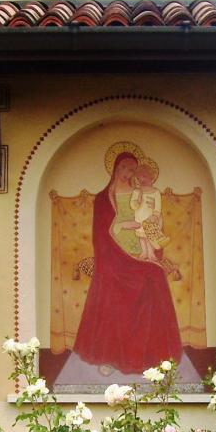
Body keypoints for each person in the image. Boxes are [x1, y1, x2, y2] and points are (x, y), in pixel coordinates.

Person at [72, 144, 182, 374]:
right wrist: (120, 246)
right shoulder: (104, 198)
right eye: (124, 167)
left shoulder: (140, 195)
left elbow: (150, 221)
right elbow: (100, 234)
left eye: (132, 170)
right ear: (115, 168)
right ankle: (108, 357)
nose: (127, 173)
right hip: (112, 258)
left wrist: (152, 247)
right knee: (111, 288)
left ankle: (153, 356)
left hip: (138, 251)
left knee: (154, 276)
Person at [129, 158, 170, 262]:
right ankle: (144, 252)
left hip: (151, 219)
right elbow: (133, 206)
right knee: (142, 237)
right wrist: (138, 197)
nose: (142, 180)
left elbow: (158, 206)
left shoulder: (155, 192)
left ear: (151, 178)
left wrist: (155, 215)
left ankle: (151, 253)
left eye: (145, 177)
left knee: (150, 237)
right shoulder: (136, 191)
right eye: (139, 177)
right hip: (139, 218)